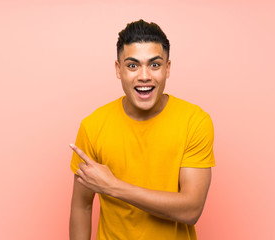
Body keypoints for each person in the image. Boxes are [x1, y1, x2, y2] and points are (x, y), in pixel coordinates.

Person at [69, 19, 215, 240]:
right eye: (132, 65)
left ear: (167, 68)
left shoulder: (194, 121)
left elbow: (191, 209)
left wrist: (114, 187)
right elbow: (82, 207)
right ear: (119, 70)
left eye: (155, 65)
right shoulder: (93, 126)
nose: (144, 76)